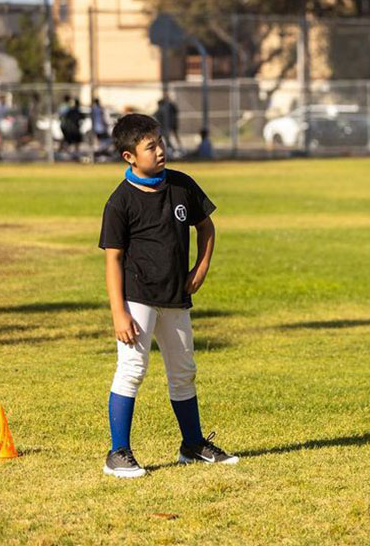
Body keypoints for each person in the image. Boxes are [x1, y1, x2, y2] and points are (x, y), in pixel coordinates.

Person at [98, 113, 237, 478]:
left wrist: (200, 267)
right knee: (132, 370)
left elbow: (206, 226)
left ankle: (192, 445)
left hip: (175, 295)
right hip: (137, 298)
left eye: (160, 142)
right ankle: (118, 453)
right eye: (151, 146)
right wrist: (119, 312)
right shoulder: (119, 202)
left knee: (183, 371)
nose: (161, 150)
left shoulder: (181, 186)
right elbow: (112, 260)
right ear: (129, 157)